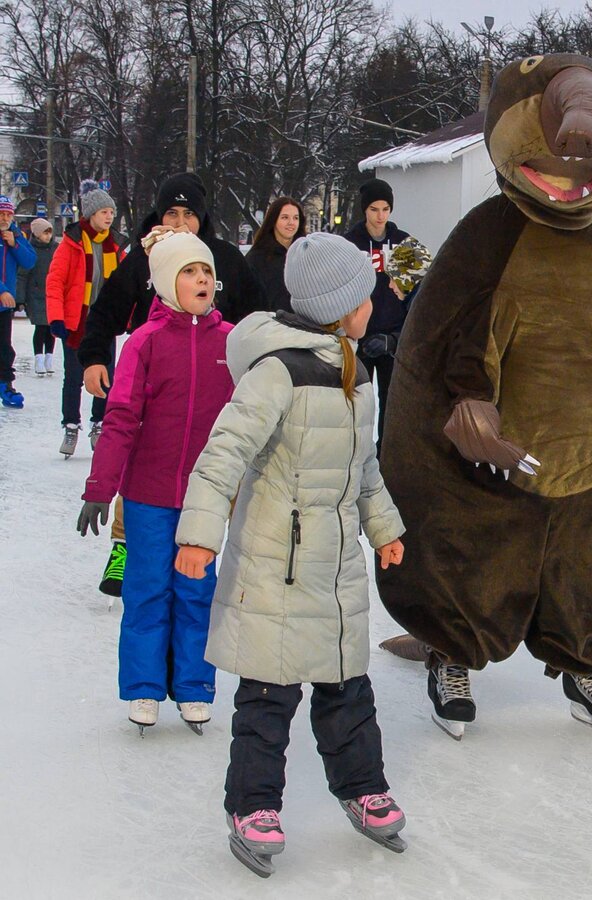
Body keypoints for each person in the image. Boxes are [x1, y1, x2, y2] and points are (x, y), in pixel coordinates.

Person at [174, 233, 407, 877]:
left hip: (336, 568)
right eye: (366, 295)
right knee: (268, 696)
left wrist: (383, 527)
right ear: (339, 306)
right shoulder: (276, 372)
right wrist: (198, 533)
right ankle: (252, 806)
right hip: (277, 562)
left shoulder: (357, 371)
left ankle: (362, 788)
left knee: (347, 689)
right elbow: (223, 453)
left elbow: (365, 469)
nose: (374, 304)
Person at [75, 172, 264, 598]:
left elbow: (258, 317)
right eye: (171, 214)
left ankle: (203, 559)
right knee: (142, 461)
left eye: (188, 215)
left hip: (210, 391)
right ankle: (125, 547)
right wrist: (91, 359)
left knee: (207, 476)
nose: (179, 223)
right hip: (150, 384)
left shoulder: (226, 260)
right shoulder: (143, 260)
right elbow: (105, 312)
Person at [75, 232, 233, 735]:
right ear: (166, 282)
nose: (201, 279)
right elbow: (120, 418)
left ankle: (192, 686)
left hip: (204, 498)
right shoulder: (145, 341)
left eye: (205, 271)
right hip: (146, 492)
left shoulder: (230, 342)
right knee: (146, 590)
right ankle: (144, 687)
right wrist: (101, 486)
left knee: (195, 591)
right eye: (189, 272)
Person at [46, 182, 125, 456]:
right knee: (74, 377)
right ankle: (71, 424)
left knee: (107, 377)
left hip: (105, 324)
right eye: (104, 211)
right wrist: (56, 318)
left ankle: (99, 423)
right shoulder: (72, 243)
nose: (109, 217)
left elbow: (126, 284)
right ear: (91, 214)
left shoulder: (115, 246)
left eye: (111, 212)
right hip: (77, 323)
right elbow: (55, 282)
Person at [343, 178, 411, 448]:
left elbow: (415, 295)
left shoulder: (403, 242)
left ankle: (386, 456)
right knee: (357, 403)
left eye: (385, 209)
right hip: (359, 335)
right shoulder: (350, 243)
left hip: (392, 338)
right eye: (374, 209)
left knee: (392, 403)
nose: (380, 216)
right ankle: (354, 453)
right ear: (364, 210)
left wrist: (396, 335)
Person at [0, 195, 37, 408]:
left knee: (4, 347)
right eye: (1, 214)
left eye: (8, 214)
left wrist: (14, 244)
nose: (5, 218)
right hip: (4, 296)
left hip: (5, 305)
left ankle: (5, 384)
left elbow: (29, 261)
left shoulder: (15, 234)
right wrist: (2, 290)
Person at [246, 197, 305, 313]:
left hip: (304, 326)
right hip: (270, 325)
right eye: (285, 217)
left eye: (296, 218)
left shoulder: (306, 254)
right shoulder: (256, 258)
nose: (291, 223)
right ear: (273, 220)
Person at [16, 217, 56, 376]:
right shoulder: (30, 250)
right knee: (41, 327)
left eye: (49, 233)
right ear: (37, 234)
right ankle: (39, 359)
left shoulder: (55, 249)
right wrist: (20, 299)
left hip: (52, 294)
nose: (48, 236)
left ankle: (49, 358)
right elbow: (22, 275)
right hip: (36, 295)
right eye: (45, 233)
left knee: (51, 328)